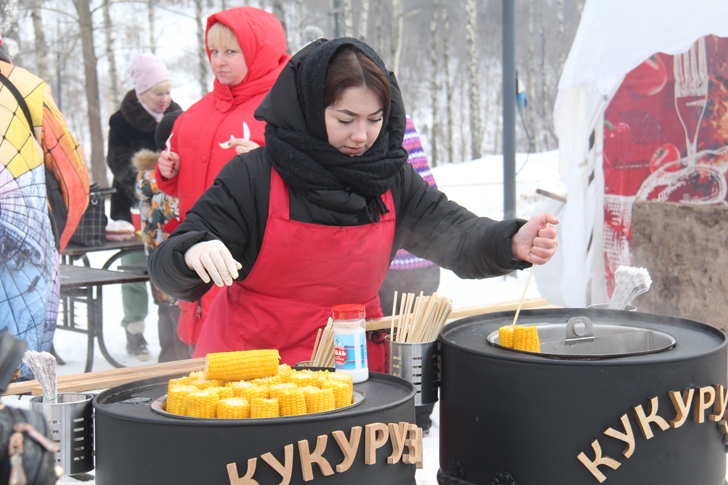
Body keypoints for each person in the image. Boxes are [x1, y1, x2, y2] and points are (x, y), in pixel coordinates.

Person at [147, 38, 559, 372]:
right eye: (345, 120)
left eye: (375, 119)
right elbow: (169, 266)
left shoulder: (389, 178)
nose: (362, 136)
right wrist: (192, 251)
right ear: (309, 108)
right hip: (254, 378)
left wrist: (509, 242)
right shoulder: (253, 176)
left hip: (355, 373)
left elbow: (454, 234)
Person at [155, 7, 290, 347]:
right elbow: (179, 182)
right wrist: (167, 171)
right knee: (202, 366)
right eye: (214, 52)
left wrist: (265, 160)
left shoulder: (288, 110)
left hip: (256, 272)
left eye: (231, 51)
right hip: (199, 267)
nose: (219, 61)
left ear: (260, 52)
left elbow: (312, 181)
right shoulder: (195, 114)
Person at [0, 33, 90, 379]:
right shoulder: (26, 86)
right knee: (25, 368)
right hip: (22, 250)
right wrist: (56, 244)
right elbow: (72, 176)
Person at [106, 53, 181, 361]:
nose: (165, 99)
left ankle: (175, 334)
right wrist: (147, 180)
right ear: (141, 93)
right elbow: (119, 162)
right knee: (135, 269)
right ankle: (134, 332)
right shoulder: (121, 120)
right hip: (132, 205)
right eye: (157, 93)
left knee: (170, 269)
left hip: (172, 204)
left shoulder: (178, 114)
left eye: (167, 92)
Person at [377, 114, 440, 433]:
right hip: (407, 261)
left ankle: (415, 418)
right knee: (407, 345)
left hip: (405, 262)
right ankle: (410, 416)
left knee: (412, 345)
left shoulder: (389, 123)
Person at [133, 109, 191, 362]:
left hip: (156, 264)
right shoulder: (171, 178)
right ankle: (180, 370)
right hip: (179, 265)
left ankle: (166, 365)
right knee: (181, 323)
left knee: (165, 316)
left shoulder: (145, 178)